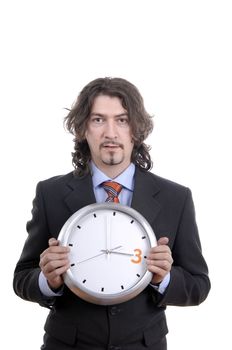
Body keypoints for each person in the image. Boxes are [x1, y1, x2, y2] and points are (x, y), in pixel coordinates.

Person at [13, 77, 210, 350]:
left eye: (122, 120)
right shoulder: (51, 194)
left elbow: (199, 286)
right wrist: (48, 280)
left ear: (137, 129)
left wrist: (163, 277)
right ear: (82, 128)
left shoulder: (176, 198)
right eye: (98, 120)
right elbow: (22, 278)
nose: (111, 133)